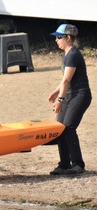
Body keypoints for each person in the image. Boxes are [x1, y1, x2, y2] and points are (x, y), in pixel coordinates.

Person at [48, 24, 92, 175]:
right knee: (60, 129)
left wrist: (59, 100)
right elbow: (65, 80)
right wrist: (55, 93)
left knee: (68, 127)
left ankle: (78, 164)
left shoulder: (73, 54)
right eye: (56, 37)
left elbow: (67, 81)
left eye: (59, 37)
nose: (56, 40)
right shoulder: (66, 53)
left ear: (68, 38)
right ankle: (64, 164)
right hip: (69, 94)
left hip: (80, 95)